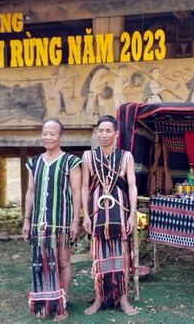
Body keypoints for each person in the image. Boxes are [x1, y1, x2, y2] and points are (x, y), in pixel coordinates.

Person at [22, 118, 82, 321]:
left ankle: (61, 303)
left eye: (52, 133)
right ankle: (45, 303)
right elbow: (30, 193)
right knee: (41, 263)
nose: (47, 137)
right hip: (39, 224)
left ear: (60, 136)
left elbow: (76, 193)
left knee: (63, 263)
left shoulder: (70, 162)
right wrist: (26, 220)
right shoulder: (34, 163)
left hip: (61, 223)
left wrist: (75, 221)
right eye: (45, 133)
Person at [81, 115, 138, 316]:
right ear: (97, 133)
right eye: (100, 131)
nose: (104, 135)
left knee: (121, 255)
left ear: (116, 134)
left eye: (108, 131)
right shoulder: (88, 157)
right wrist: (86, 216)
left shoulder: (126, 157)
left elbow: (132, 186)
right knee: (99, 255)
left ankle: (123, 299)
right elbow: (84, 187)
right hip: (97, 213)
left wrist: (132, 214)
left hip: (120, 213)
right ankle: (99, 298)